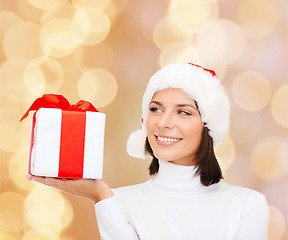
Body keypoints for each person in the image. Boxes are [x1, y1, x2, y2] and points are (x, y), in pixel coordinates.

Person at [27, 62, 269, 240]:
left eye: (183, 112)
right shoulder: (117, 202)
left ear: (208, 127)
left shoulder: (246, 205)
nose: (164, 123)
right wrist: (101, 197)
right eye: (156, 109)